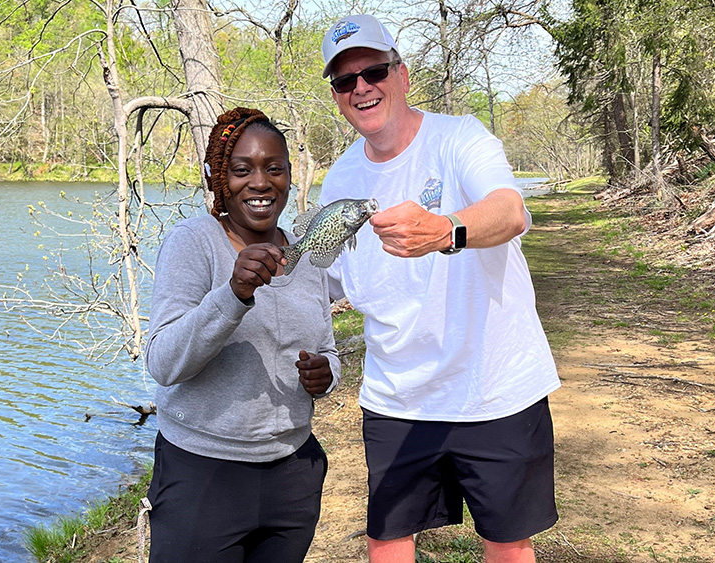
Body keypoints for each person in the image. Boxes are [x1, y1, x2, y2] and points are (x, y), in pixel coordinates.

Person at [318, 14, 561, 563]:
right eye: (344, 80)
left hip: (494, 384)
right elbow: (325, 277)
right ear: (336, 96)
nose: (361, 87)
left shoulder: (460, 138)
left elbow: (510, 211)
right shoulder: (340, 181)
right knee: (387, 536)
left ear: (401, 74)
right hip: (397, 394)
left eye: (373, 70)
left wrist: (447, 230)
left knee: (507, 540)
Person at [142, 107, 340, 563]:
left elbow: (328, 348)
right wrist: (233, 294)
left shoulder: (307, 255)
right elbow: (164, 363)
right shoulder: (193, 242)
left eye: (274, 168)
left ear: (290, 176)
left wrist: (326, 374)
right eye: (242, 170)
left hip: (293, 475)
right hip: (203, 475)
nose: (260, 182)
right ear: (218, 179)